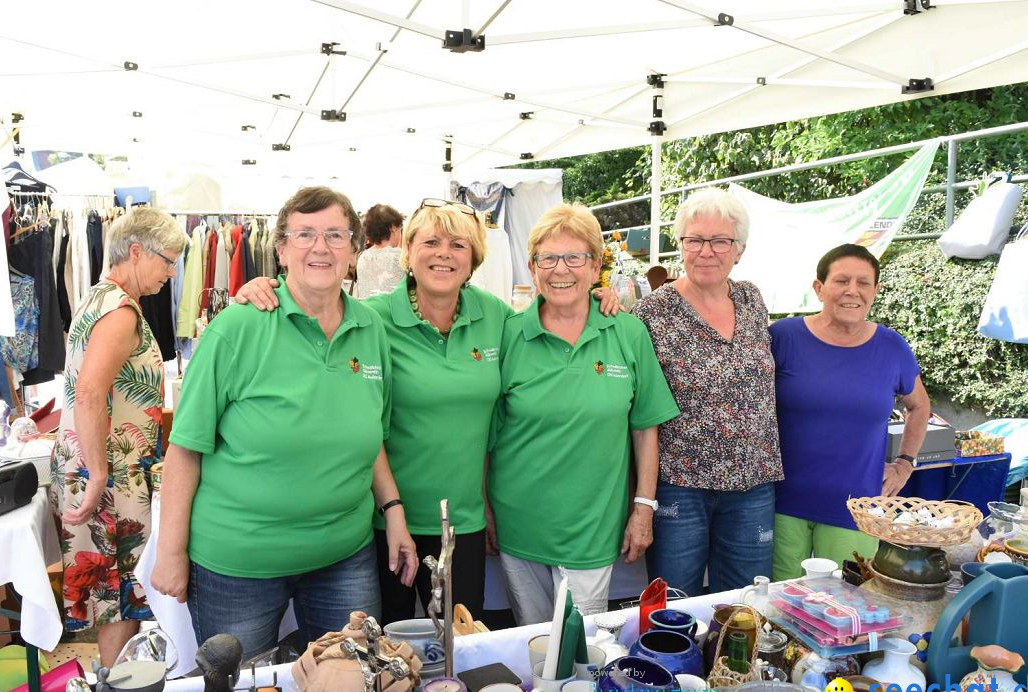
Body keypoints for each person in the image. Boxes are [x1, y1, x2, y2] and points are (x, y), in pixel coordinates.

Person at [235, 199, 621, 626]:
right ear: (408, 252)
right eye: (431, 241)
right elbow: (317, 322)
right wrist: (262, 286)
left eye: (458, 244)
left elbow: (548, 328)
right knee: (392, 648)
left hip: (465, 522)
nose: (444, 253)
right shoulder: (371, 319)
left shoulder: (496, 317)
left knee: (463, 645)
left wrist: (600, 295)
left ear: (473, 258)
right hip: (388, 519)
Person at [150, 187, 417, 660]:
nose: (321, 247)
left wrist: (392, 509)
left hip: (343, 558)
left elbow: (369, 434)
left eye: (336, 235)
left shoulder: (370, 329)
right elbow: (185, 448)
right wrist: (170, 553)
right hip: (238, 567)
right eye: (305, 234)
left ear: (354, 249)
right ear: (280, 249)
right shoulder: (238, 328)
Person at [488, 203, 679, 624]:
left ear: (596, 268)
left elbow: (646, 428)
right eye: (548, 258)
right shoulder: (509, 335)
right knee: (533, 644)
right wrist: (485, 506)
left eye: (575, 257)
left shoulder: (627, 332)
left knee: (578, 645)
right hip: (518, 522)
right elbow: (490, 429)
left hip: (592, 526)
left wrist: (643, 508)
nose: (562, 270)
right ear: (532, 267)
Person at [50, 207, 186, 666]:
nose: (171, 272)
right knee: (119, 593)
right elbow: (89, 392)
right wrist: (98, 476)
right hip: (109, 471)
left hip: (100, 464)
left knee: (117, 592)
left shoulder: (97, 297)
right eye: (166, 260)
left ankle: (116, 691)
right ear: (135, 251)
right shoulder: (121, 311)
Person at [633, 188, 783, 596]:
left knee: (745, 604)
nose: (706, 251)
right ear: (679, 245)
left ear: (740, 249)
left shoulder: (751, 299)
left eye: (720, 241)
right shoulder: (651, 312)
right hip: (679, 484)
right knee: (674, 605)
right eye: (694, 240)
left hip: (752, 482)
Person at [770, 243, 931, 581]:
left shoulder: (891, 347)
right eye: (841, 280)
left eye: (863, 283)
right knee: (777, 605)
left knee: (844, 606)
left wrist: (905, 464)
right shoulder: (783, 337)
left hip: (855, 507)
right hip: (779, 504)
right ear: (819, 288)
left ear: (876, 291)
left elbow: (919, 405)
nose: (852, 291)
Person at [353, 204, 404, 300]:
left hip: (367, 311)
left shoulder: (362, 257)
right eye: (400, 229)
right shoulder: (400, 257)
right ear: (393, 228)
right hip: (391, 313)